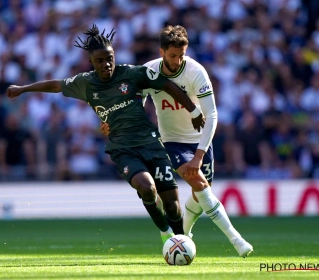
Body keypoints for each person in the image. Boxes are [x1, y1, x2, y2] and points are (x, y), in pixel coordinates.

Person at [6, 24, 205, 244]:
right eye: (100, 60)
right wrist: (23, 89)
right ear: (91, 61)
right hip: (122, 148)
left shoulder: (132, 73)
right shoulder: (85, 83)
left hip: (151, 143)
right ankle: (167, 234)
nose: (106, 64)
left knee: (173, 205)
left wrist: (194, 110)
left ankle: (182, 241)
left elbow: (167, 85)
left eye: (109, 58)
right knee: (147, 188)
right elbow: (55, 86)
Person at [101, 25, 253, 257]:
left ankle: (183, 237)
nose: (178, 60)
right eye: (173, 55)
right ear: (162, 52)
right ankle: (237, 240)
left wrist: (200, 154)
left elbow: (211, 114)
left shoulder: (196, 72)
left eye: (182, 55)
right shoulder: (149, 71)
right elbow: (134, 104)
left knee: (200, 196)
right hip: (171, 141)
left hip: (201, 141)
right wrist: (115, 123)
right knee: (200, 185)